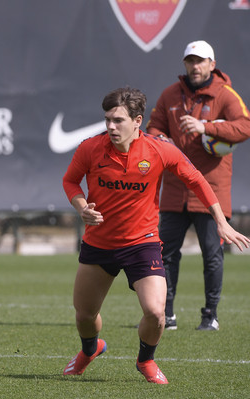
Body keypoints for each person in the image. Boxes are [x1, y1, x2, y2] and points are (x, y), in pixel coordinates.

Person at [61, 87, 249, 384]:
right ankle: (90, 348)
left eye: (118, 120)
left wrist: (220, 221)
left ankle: (146, 360)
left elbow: (197, 180)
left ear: (137, 121)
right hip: (99, 243)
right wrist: (82, 207)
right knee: (84, 316)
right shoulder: (90, 148)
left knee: (156, 313)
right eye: (108, 119)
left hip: (142, 244)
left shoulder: (160, 149)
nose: (111, 126)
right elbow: (70, 181)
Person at [146, 40, 250, 331]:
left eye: (200, 61)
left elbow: (245, 126)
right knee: (164, 253)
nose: (195, 66)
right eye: (190, 61)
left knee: (212, 255)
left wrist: (208, 128)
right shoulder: (170, 94)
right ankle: (166, 315)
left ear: (212, 65)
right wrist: (159, 139)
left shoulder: (225, 95)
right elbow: (153, 127)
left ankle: (210, 316)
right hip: (175, 190)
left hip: (211, 190)